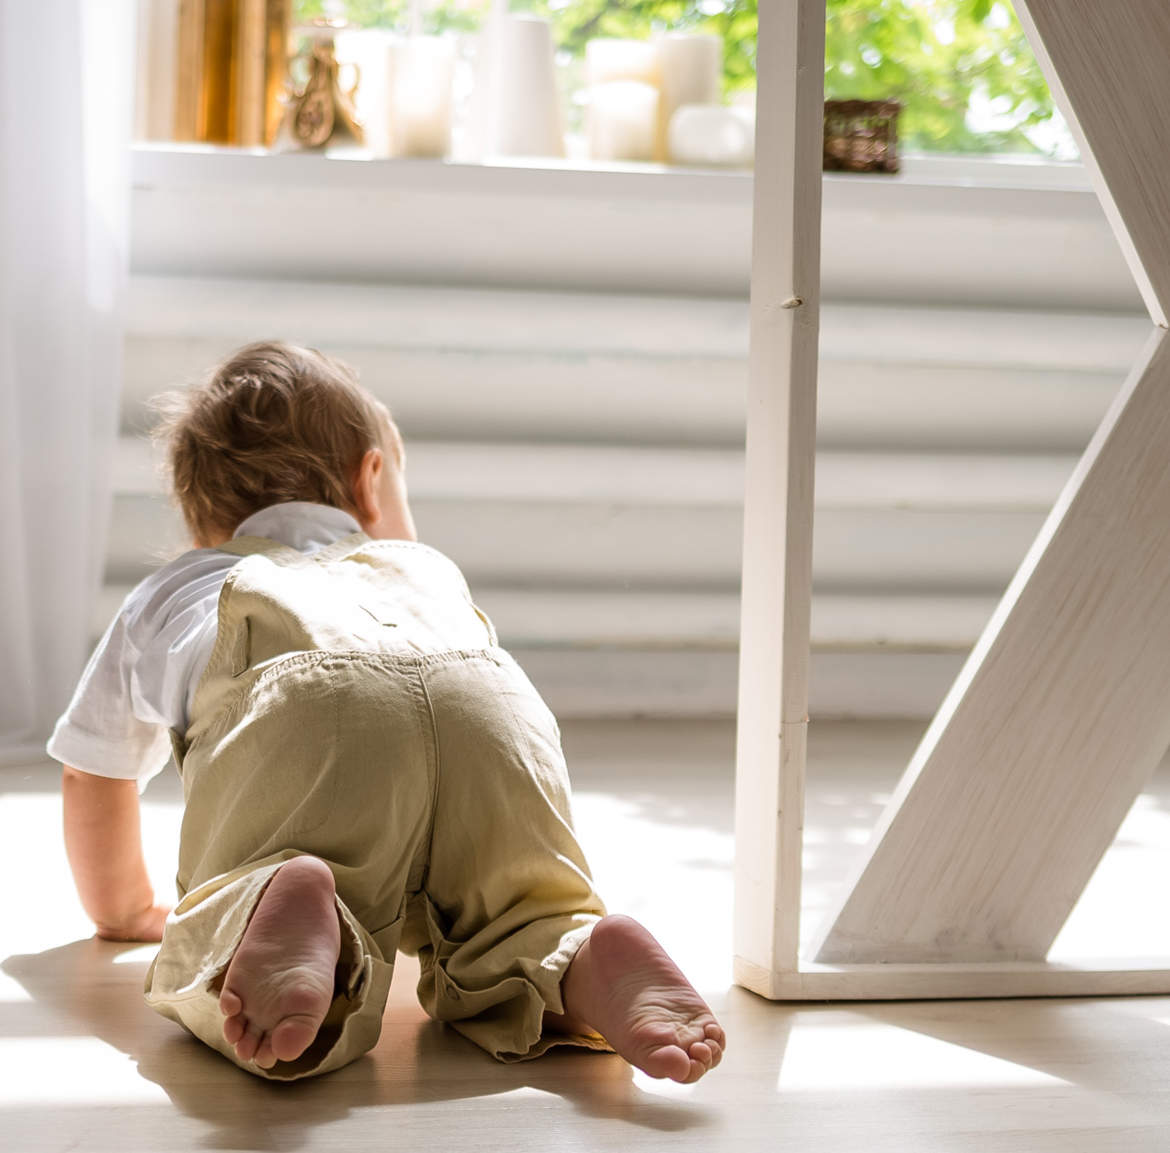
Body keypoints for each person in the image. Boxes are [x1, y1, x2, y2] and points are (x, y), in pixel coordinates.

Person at [49, 340, 725, 1087]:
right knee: (514, 912)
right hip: (485, 701)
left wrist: (123, 908)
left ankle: (285, 910)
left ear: (205, 523)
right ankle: (579, 954)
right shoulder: (420, 570)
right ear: (371, 481)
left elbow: (93, 772)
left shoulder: (181, 588)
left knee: (229, 930)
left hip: (305, 709)